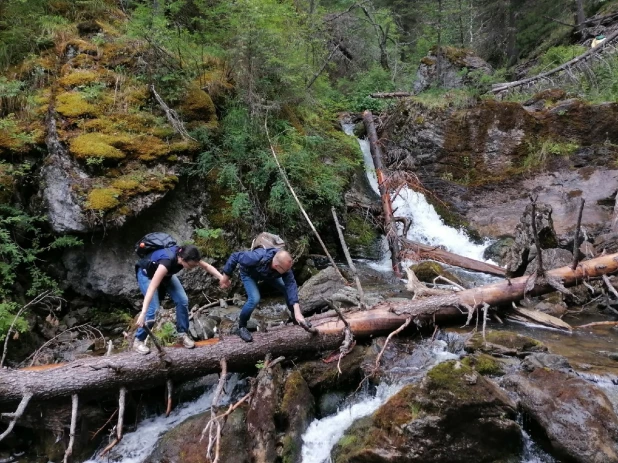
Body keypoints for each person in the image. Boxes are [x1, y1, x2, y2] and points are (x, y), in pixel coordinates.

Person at [134, 244, 230, 354]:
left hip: (167, 274)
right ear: (182, 259)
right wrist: (143, 312)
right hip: (147, 275)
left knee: (182, 300)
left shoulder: (188, 254)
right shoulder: (166, 262)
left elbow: (207, 267)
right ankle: (138, 341)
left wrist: (222, 278)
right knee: (152, 310)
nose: (193, 267)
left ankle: (182, 334)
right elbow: (152, 288)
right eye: (191, 266)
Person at [220, 248, 312, 342]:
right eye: (286, 270)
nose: (289, 271)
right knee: (254, 299)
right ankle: (241, 327)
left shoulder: (284, 266)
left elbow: (291, 285)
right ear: (276, 266)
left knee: (286, 288)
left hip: (269, 274)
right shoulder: (255, 257)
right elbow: (235, 256)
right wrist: (226, 276)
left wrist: (297, 311)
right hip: (249, 274)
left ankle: (296, 318)